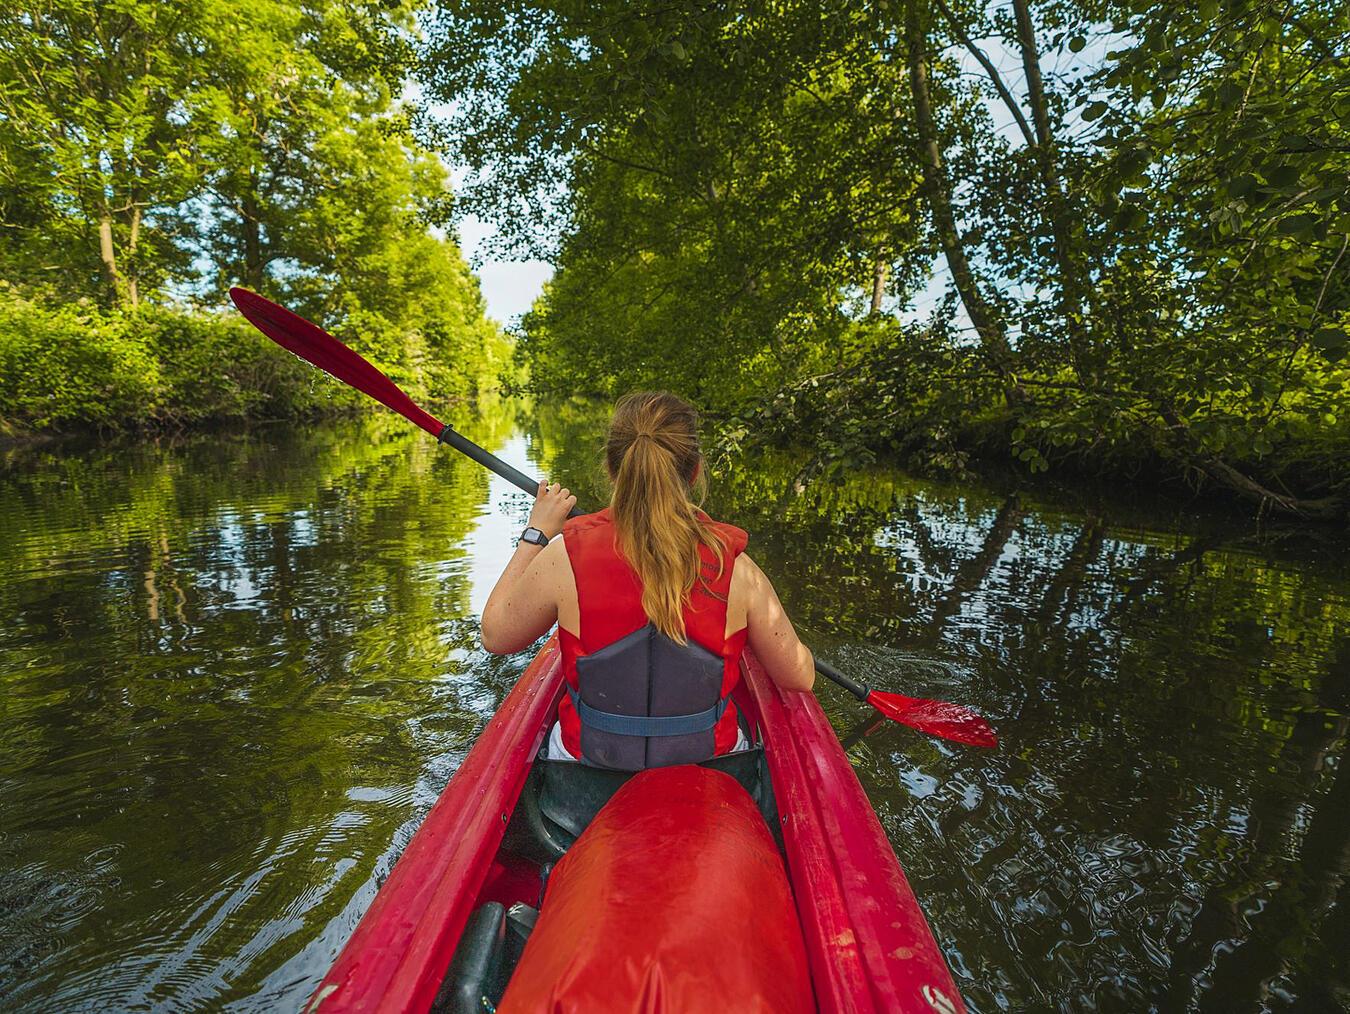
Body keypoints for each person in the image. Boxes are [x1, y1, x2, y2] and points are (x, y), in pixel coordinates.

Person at [481, 391, 814, 768]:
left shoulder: (564, 557)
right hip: (709, 762)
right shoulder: (734, 566)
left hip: (588, 763)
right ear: (694, 471)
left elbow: (496, 635)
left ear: (611, 469)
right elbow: (799, 677)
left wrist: (536, 533)